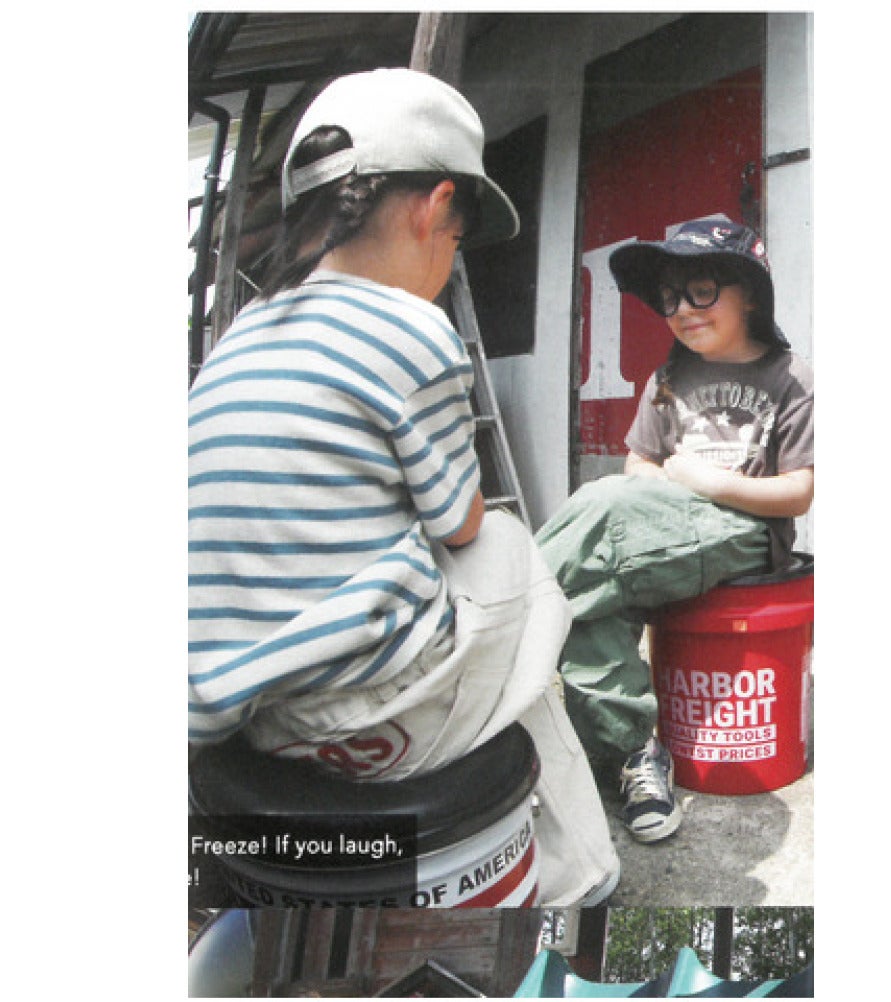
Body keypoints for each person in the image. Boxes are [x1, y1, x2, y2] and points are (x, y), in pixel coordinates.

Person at [188, 67, 619, 906]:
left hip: (244, 719)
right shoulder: (412, 326)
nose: (449, 261)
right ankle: (585, 876)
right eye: (458, 239)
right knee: (511, 552)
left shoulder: (240, 334)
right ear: (435, 207)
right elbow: (459, 524)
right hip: (365, 721)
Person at [536, 214, 814, 844]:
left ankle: (494, 626)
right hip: (669, 526)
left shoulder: (791, 377)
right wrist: (670, 480)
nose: (683, 309)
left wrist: (705, 482)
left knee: (602, 514)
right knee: (592, 593)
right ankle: (633, 753)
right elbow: (639, 467)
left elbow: (799, 491)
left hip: (745, 534)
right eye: (669, 298)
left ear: (750, 294)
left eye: (702, 291)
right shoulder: (667, 378)